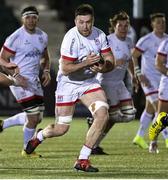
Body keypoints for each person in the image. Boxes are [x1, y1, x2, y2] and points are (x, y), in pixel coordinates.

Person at [25, 4, 115, 172]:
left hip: (88, 83)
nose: (85, 26)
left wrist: (103, 67)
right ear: (75, 21)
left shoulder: (100, 35)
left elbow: (110, 60)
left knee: (103, 114)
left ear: (93, 21)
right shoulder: (70, 38)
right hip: (68, 84)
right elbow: (66, 69)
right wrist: (86, 63)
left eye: (88, 22)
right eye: (81, 22)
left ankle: (82, 159)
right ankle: (39, 136)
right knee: (61, 129)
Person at [0, 6, 51, 157]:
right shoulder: (16, 37)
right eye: (28, 17)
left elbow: (45, 56)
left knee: (38, 117)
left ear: (37, 18)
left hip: (34, 81)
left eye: (34, 17)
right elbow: (2, 58)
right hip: (20, 81)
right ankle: (27, 149)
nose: (31, 20)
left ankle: (4, 124)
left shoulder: (42, 36)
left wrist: (47, 70)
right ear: (22, 19)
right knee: (34, 117)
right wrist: (15, 76)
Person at [87, 11, 137, 155]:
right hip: (106, 82)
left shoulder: (128, 41)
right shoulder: (108, 40)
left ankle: (93, 125)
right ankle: (93, 145)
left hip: (119, 83)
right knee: (111, 117)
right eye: (120, 25)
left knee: (129, 115)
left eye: (126, 25)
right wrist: (112, 63)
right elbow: (99, 61)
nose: (123, 28)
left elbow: (130, 61)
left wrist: (134, 76)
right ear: (114, 26)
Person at [132, 13, 168, 153]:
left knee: (150, 109)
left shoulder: (166, 39)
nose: (161, 24)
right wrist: (138, 74)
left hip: (162, 79)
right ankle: (161, 140)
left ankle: (139, 136)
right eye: (158, 22)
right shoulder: (146, 40)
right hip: (149, 80)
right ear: (152, 24)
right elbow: (134, 56)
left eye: (163, 22)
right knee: (160, 111)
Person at [149, 38, 168, 141]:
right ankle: (153, 141)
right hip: (167, 83)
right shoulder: (166, 43)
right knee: (160, 116)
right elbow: (158, 64)